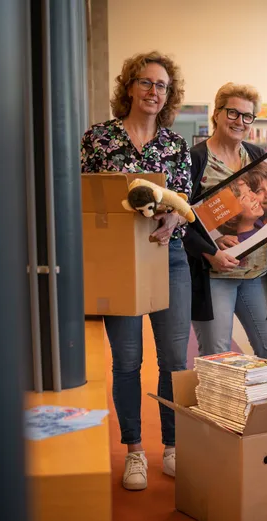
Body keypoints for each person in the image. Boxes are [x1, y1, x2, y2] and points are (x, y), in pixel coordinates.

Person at [80, 51, 191, 491]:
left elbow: (186, 205)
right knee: (127, 361)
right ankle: (134, 451)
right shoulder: (99, 139)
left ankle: (173, 447)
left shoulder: (175, 145)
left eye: (161, 86)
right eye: (146, 83)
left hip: (171, 259)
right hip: (120, 262)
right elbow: (88, 201)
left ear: (169, 94)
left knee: (174, 361)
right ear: (129, 87)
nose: (153, 92)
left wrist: (173, 219)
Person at [183, 83, 267, 362]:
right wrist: (209, 253)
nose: (239, 121)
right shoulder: (195, 160)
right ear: (216, 114)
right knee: (217, 358)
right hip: (215, 275)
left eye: (247, 116)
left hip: (258, 274)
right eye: (232, 113)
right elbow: (181, 221)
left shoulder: (257, 156)